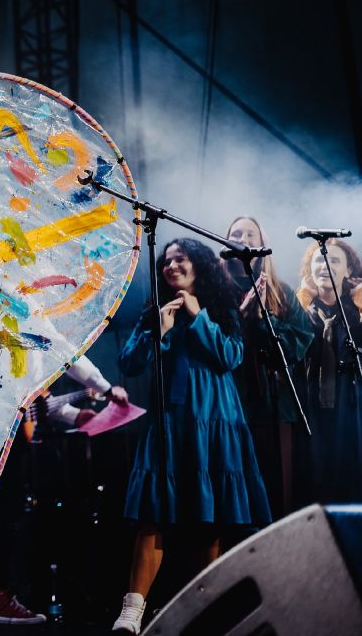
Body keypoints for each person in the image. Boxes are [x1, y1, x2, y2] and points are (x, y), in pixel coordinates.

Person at [111, 238, 271, 634]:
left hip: (215, 419)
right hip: (170, 420)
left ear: (199, 264)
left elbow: (231, 356)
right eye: (166, 261)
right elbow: (129, 363)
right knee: (152, 514)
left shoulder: (220, 307)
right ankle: (132, 612)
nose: (171, 266)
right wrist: (160, 332)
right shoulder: (156, 311)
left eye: (180, 259)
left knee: (208, 515)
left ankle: (204, 607)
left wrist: (200, 317)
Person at [0, 355, 128, 625]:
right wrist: (106, 388)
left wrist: (75, 415)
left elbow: (33, 401)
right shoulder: (28, 332)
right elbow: (69, 354)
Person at [223, 217, 313, 516]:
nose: (243, 238)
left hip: (275, 407)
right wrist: (241, 318)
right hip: (228, 405)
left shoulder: (282, 292)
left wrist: (263, 321)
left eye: (251, 234)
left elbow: (297, 346)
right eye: (237, 233)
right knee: (234, 492)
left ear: (263, 244)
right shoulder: (213, 291)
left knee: (278, 490)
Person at [295, 238, 362, 504]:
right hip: (310, 403)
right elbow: (288, 340)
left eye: (334, 260)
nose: (325, 265)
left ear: (348, 270)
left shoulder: (356, 308)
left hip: (351, 403)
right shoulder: (303, 308)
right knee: (313, 476)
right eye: (319, 260)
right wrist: (302, 299)